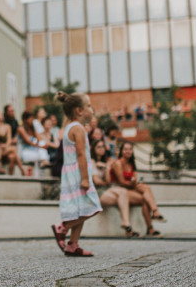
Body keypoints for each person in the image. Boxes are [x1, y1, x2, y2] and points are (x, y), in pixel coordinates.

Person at [50, 91, 102, 257]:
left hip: (71, 172)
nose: (91, 109)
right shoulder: (78, 129)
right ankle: (62, 227)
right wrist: (86, 178)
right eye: (88, 106)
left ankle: (72, 244)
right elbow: (81, 154)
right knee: (93, 208)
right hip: (78, 173)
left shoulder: (70, 127)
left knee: (81, 210)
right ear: (79, 111)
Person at [111, 141, 166, 237]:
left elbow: (134, 180)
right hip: (119, 192)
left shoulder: (132, 164)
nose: (128, 151)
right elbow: (121, 182)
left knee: (146, 194)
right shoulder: (118, 164)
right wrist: (133, 184)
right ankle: (155, 213)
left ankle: (150, 227)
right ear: (121, 151)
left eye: (130, 149)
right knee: (146, 192)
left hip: (129, 189)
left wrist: (134, 183)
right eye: (125, 149)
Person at [90, 139, 136, 237]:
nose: (101, 149)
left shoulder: (105, 162)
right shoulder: (91, 162)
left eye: (103, 146)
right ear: (93, 149)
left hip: (105, 190)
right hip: (96, 192)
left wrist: (107, 168)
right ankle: (127, 225)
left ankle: (127, 225)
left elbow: (107, 180)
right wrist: (104, 181)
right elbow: (97, 181)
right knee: (123, 193)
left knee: (123, 195)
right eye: (98, 147)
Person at [0, 110, 26, 175]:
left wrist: (5, 145)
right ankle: (22, 170)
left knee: (12, 156)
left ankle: (10, 175)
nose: (1, 114)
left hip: (5, 149)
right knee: (12, 149)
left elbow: (9, 140)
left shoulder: (7, 126)